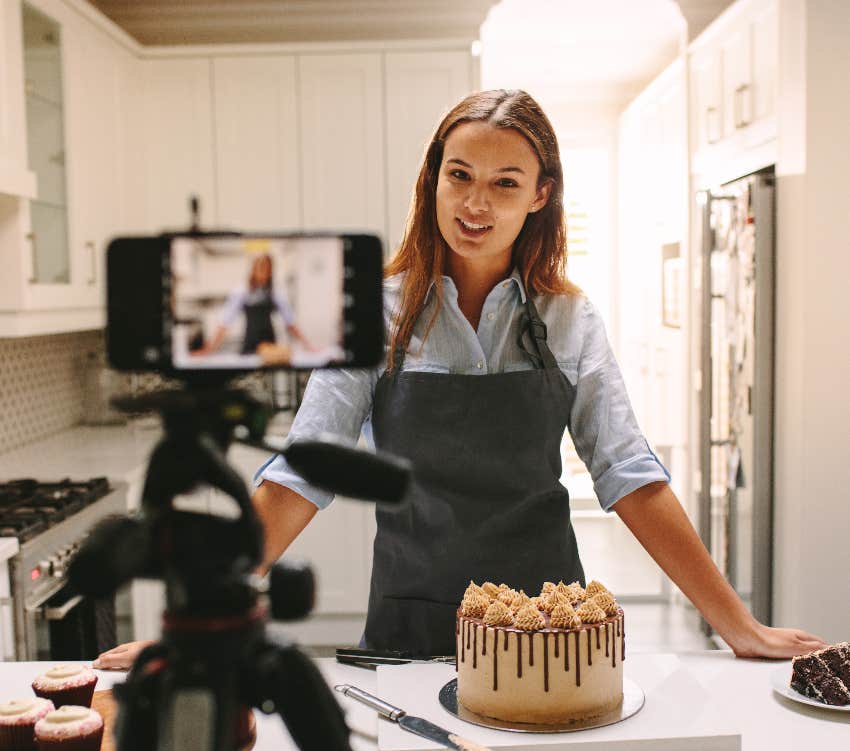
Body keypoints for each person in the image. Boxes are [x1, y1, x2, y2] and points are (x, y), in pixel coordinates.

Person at [95, 89, 825, 669]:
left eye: (505, 183)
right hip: (414, 617)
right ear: (434, 179)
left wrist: (738, 625)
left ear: (540, 194)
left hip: (549, 625)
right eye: (460, 176)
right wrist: (196, 620)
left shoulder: (568, 319)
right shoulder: (373, 315)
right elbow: (301, 473)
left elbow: (630, 474)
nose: (476, 205)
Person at [198, 253, 314, 357]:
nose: (263, 271)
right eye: (260, 267)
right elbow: (225, 323)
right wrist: (207, 350)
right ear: (253, 269)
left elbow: (290, 322)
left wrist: (308, 346)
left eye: (267, 268)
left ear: (270, 271)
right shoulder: (242, 291)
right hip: (249, 346)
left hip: (270, 349)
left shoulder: (276, 292)